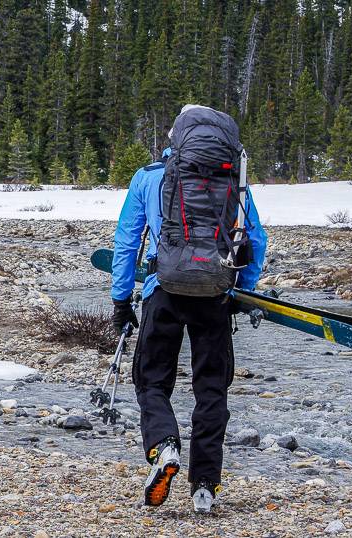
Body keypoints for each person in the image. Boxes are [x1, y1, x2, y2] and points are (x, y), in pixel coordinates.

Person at [111, 105, 267, 512]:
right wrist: (240, 292)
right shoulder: (231, 180)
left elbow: (127, 242)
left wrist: (120, 299)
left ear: (174, 137)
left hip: (163, 291)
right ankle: (205, 487)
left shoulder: (149, 177)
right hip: (214, 294)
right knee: (211, 389)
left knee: (152, 382)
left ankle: (163, 448)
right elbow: (256, 241)